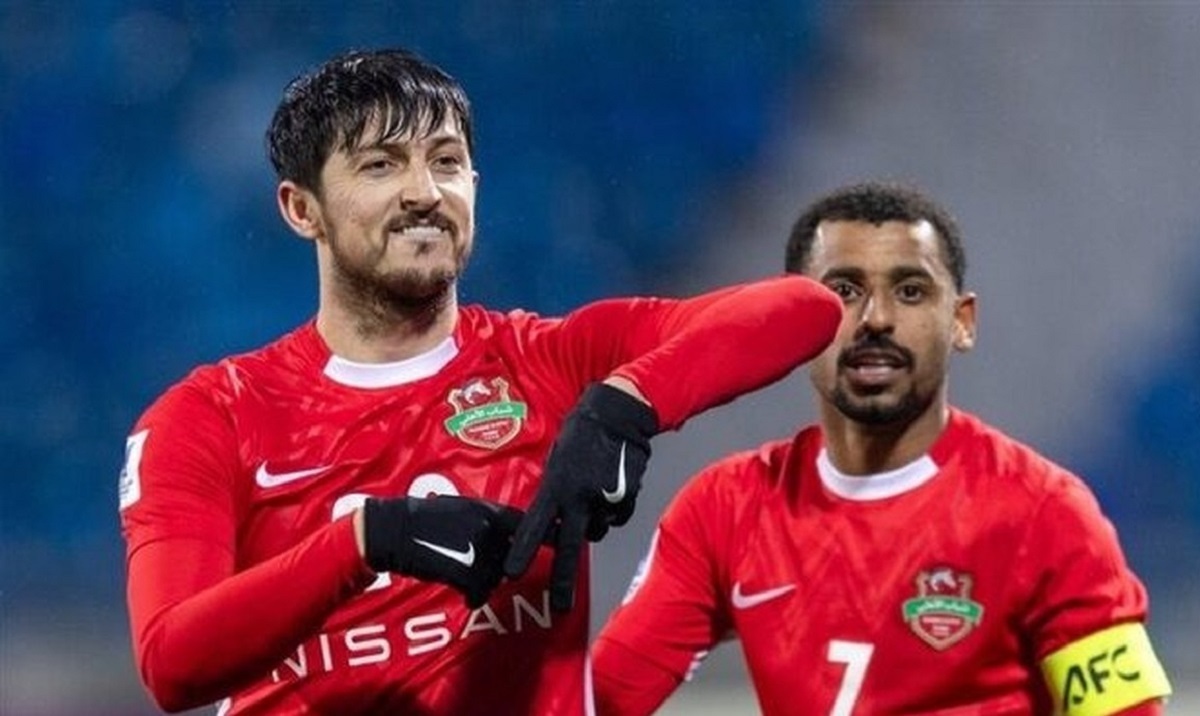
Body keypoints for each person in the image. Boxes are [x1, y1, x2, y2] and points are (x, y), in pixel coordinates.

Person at [117, 48, 842, 715]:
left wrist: (626, 404)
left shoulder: (549, 360)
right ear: (302, 209)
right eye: (380, 166)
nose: (424, 192)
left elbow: (804, 309)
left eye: (446, 161)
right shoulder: (214, 414)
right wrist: (368, 540)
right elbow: (173, 663)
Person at [592, 181, 1173, 715]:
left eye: (911, 291)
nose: (876, 318)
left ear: (962, 322)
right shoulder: (725, 509)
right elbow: (600, 701)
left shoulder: (1046, 515)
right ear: (793, 323)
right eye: (844, 291)